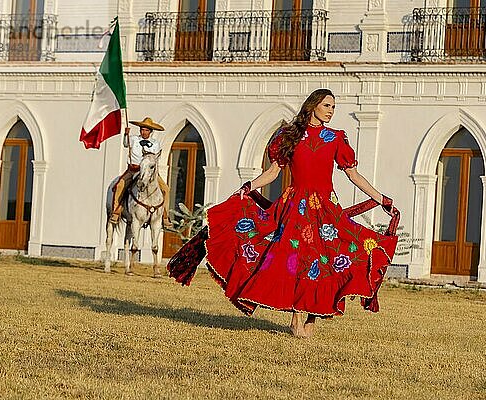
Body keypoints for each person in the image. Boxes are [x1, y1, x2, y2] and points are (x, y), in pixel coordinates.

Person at [167, 89, 399, 338]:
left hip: (324, 211)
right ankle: (297, 319)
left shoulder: (336, 139)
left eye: (334, 106)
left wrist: (381, 198)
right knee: (297, 261)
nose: (331, 110)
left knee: (324, 262)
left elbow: (353, 175)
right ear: (313, 106)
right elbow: (273, 172)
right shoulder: (289, 136)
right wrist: (249, 186)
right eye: (327, 105)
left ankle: (311, 315)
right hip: (293, 208)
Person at [109, 117, 173, 228]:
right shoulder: (133, 139)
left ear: (151, 131)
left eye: (147, 130)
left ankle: (165, 216)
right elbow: (125, 144)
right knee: (119, 185)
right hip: (134, 169)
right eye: (142, 129)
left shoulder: (155, 144)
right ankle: (116, 211)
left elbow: (154, 158)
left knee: (166, 189)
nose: (144, 132)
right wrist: (126, 135)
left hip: (149, 172)